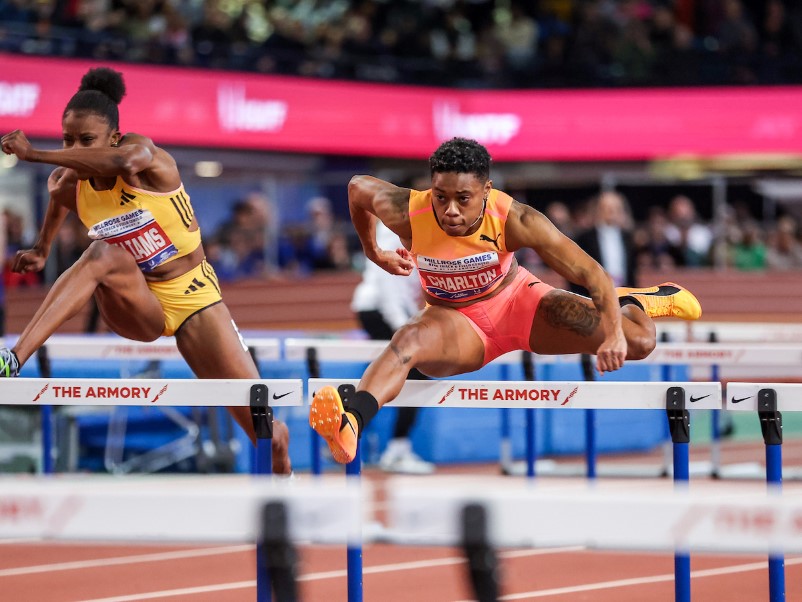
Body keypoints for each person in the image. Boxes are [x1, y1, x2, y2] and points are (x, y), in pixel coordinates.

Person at [309, 137, 702, 464]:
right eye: (440, 196)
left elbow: (591, 273)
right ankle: (352, 423)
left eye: (463, 198)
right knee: (406, 341)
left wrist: (613, 332)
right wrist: (373, 250)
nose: (449, 210)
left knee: (640, 343)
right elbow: (357, 187)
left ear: (487, 190)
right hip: (455, 322)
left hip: (521, 307)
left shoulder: (516, 219)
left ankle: (631, 302)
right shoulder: (408, 210)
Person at [0, 67, 291, 474]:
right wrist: (41, 248)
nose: (73, 148)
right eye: (67, 139)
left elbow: (118, 159)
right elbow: (60, 199)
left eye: (86, 140)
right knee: (101, 255)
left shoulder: (143, 158)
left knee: (265, 433)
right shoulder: (68, 181)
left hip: (194, 299)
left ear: (114, 136)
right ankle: (12, 358)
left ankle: (285, 494)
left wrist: (37, 153)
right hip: (138, 302)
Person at [351, 221, 434, 474]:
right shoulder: (396, 237)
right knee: (417, 372)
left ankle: (352, 432)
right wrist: (405, 330)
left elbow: (404, 294)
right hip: (376, 310)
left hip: (376, 309)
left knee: (389, 370)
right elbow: (389, 289)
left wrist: (415, 322)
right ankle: (396, 448)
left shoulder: (408, 237)